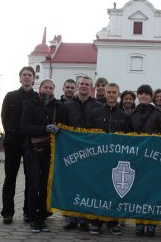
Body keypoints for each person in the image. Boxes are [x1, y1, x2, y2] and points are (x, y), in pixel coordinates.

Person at [20, 79, 63, 233]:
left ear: (54, 90)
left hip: (49, 151)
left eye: (51, 88)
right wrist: (44, 128)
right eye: (45, 87)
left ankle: (42, 217)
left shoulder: (57, 106)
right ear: (40, 88)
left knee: (45, 186)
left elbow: (63, 125)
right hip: (32, 149)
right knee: (34, 185)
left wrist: (59, 129)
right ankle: (33, 218)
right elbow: (24, 127)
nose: (48, 90)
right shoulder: (31, 104)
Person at [86, 83, 128, 236]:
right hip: (97, 159)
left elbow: (129, 139)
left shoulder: (124, 116)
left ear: (118, 94)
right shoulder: (95, 113)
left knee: (113, 191)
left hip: (116, 160)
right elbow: (88, 135)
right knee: (96, 190)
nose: (111, 94)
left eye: (114, 92)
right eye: (108, 92)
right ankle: (95, 221)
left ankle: (112, 222)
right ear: (104, 93)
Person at [127, 84, 161, 237]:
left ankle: (151, 223)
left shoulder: (158, 113)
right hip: (137, 158)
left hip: (153, 159)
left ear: (151, 97)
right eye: (141, 93)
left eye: (146, 94)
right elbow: (126, 135)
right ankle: (139, 222)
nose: (143, 96)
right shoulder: (131, 114)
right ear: (137, 96)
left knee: (152, 191)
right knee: (138, 192)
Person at [63, 75, 103, 231]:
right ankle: (71, 217)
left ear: (91, 87)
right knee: (73, 183)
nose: (84, 86)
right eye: (82, 84)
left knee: (88, 184)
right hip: (72, 149)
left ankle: (85, 217)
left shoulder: (98, 106)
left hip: (91, 151)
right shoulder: (67, 105)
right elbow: (63, 125)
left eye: (87, 84)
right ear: (77, 86)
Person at [0, 66, 37, 224]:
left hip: (31, 143)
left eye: (30, 75)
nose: (27, 77)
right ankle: (7, 213)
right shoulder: (10, 96)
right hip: (13, 143)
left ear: (34, 79)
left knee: (31, 179)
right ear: (20, 78)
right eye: (24, 75)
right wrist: (10, 132)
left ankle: (28, 212)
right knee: (10, 178)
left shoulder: (37, 98)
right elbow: (4, 117)